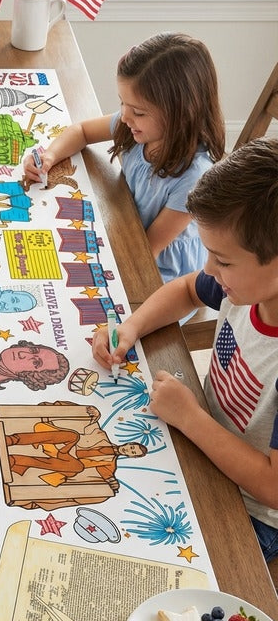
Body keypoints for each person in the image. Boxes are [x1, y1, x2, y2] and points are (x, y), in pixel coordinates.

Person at [92, 138, 278, 561]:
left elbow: (272, 487)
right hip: (205, 441)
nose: (210, 269)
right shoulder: (247, 287)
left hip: (252, 512)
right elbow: (186, 289)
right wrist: (131, 327)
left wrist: (191, 418)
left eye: (223, 261)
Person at [23, 32, 225, 283]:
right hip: (124, 222)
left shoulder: (194, 177)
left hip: (160, 269)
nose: (125, 116)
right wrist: (50, 155)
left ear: (180, 114)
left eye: (138, 111)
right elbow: (82, 131)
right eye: (122, 103)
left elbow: (145, 252)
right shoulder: (135, 126)